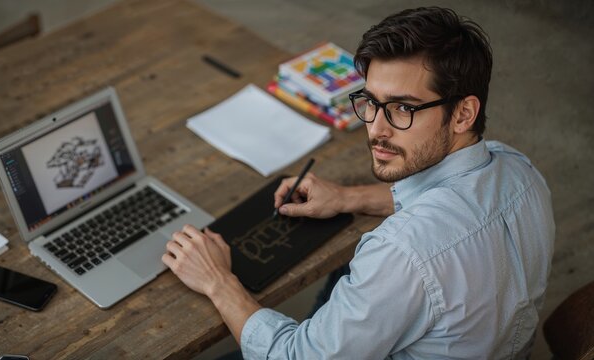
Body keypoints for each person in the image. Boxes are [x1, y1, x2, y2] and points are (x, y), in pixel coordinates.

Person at [162, 6, 554, 359]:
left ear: (463, 113)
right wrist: (348, 198)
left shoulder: (400, 254)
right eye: (370, 102)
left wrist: (218, 281)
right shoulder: (518, 169)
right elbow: (458, 207)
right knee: (340, 277)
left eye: (404, 107)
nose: (377, 129)